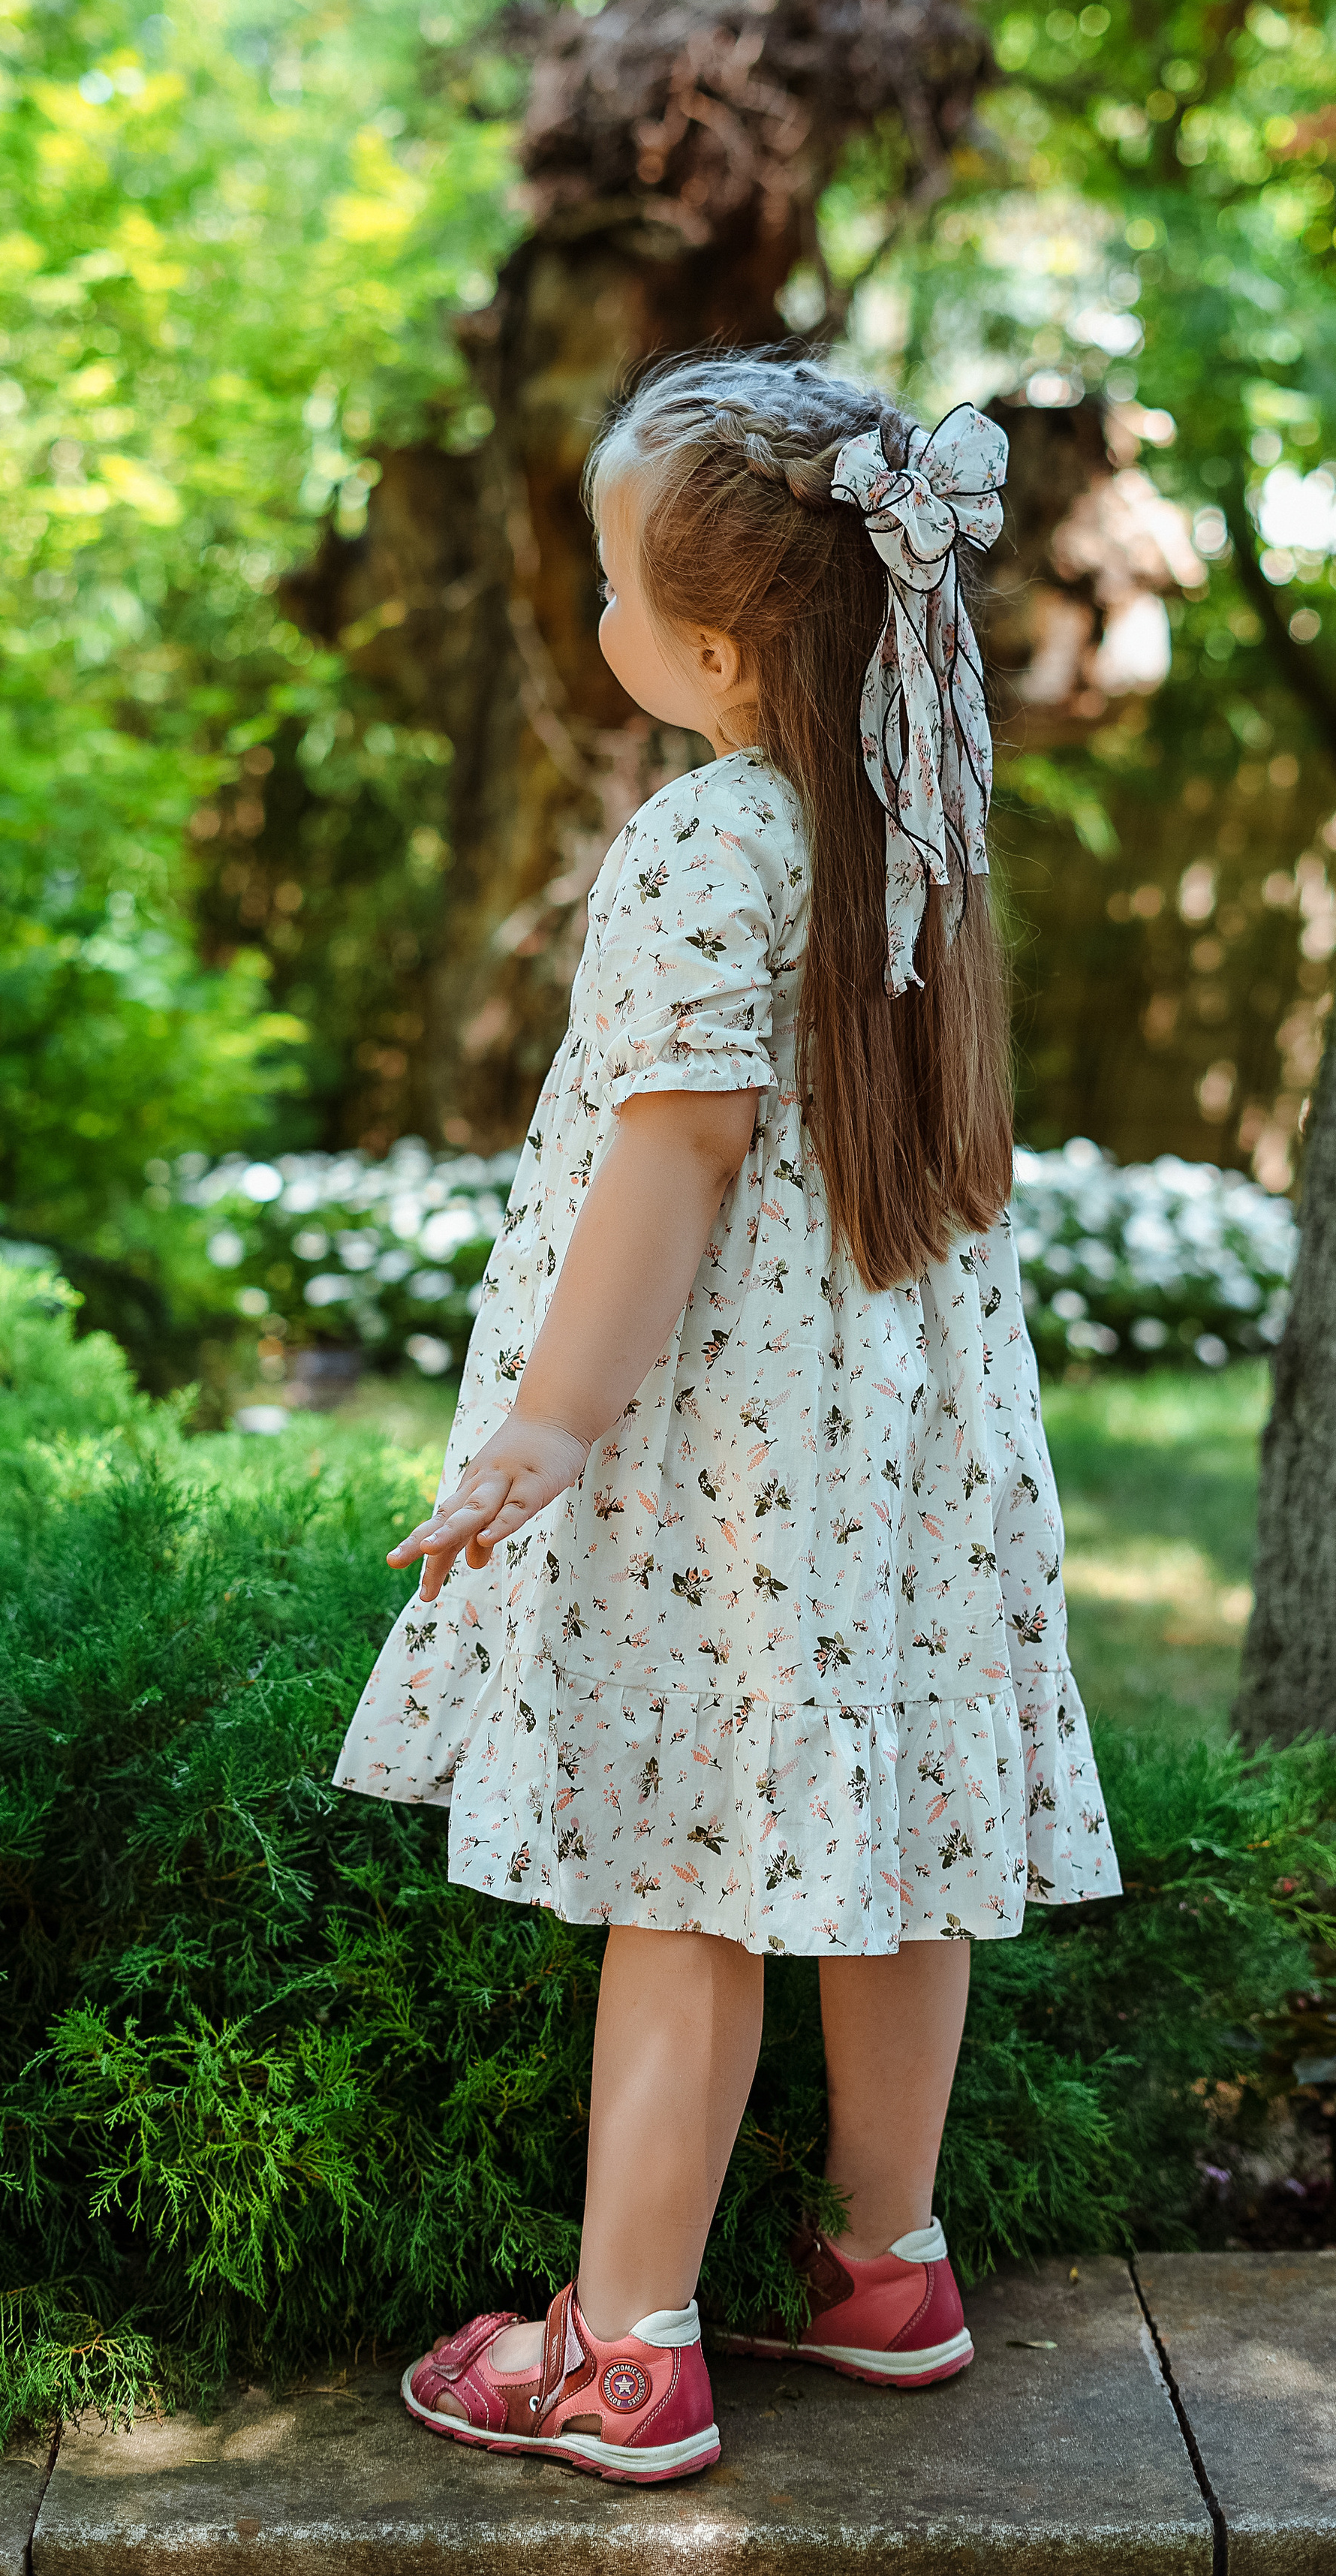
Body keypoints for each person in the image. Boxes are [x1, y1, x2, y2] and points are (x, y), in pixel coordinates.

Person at [333, 351, 1119, 2486]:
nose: (598, 625)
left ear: (718, 643)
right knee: (894, 1860)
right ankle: (888, 2263)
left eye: (609, 586)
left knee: (683, 1870)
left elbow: (672, 1152)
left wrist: (551, 1430)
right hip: (895, 1457)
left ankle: (627, 2346)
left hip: (721, 1452)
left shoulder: (707, 833)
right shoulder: (920, 817)